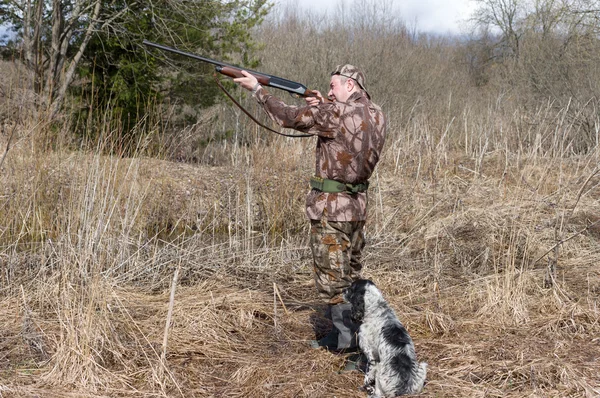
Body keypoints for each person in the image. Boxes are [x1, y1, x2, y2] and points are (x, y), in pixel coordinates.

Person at [234, 64, 386, 353]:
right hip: (357, 209)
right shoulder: (378, 114)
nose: (329, 91)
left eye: (333, 87)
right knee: (351, 276)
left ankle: (349, 346)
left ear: (350, 86)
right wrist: (325, 104)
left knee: (332, 280)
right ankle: (353, 337)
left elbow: (288, 117)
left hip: (331, 211)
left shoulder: (333, 113)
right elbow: (348, 126)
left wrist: (258, 90)